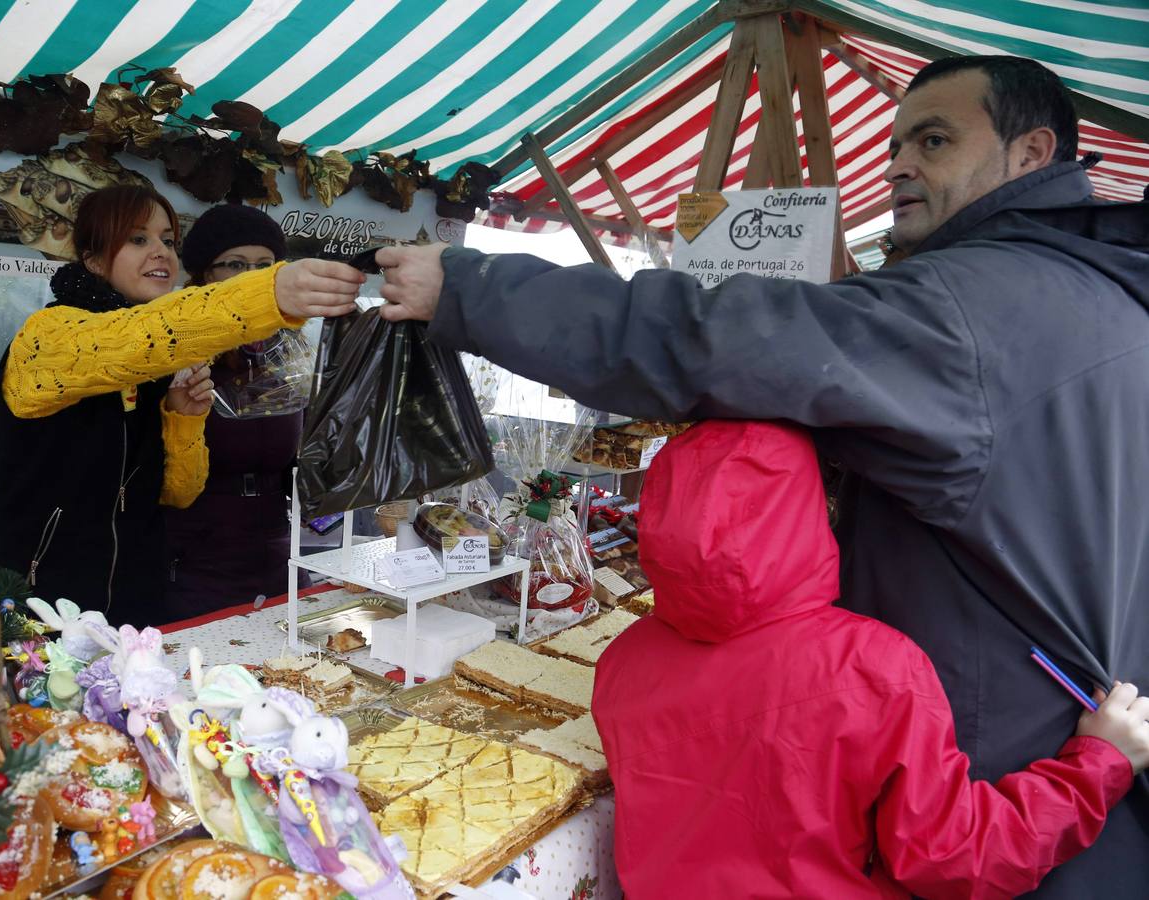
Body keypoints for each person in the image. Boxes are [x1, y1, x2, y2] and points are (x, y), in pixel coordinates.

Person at [376, 56, 1149, 894]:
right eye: (895, 142)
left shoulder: (971, 307)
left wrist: (475, 292)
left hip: (1004, 777)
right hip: (1080, 736)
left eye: (933, 139)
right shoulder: (1105, 296)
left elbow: (720, 340)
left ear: (1032, 152)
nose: (897, 165)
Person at [595, 419, 1149, 898]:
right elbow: (955, 861)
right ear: (806, 504)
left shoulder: (621, 662)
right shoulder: (876, 666)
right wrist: (1100, 764)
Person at [0, 185, 364, 625]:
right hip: (38, 601)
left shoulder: (160, 363)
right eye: (138, 239)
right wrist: (270, 292)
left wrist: (184, 416)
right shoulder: (48, 336)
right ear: (93, 259)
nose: (160, 252)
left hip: (134, 600)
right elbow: (133, 339)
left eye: (167, 240)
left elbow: (177, 493)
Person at [163, 204, 306, 615]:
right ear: (204, 275)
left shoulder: (289, 352)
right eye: (236, 264)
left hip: (275, 553)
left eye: (266, 264)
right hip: (197, 561)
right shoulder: (178, 351)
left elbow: (294, 465)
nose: (254, 277)